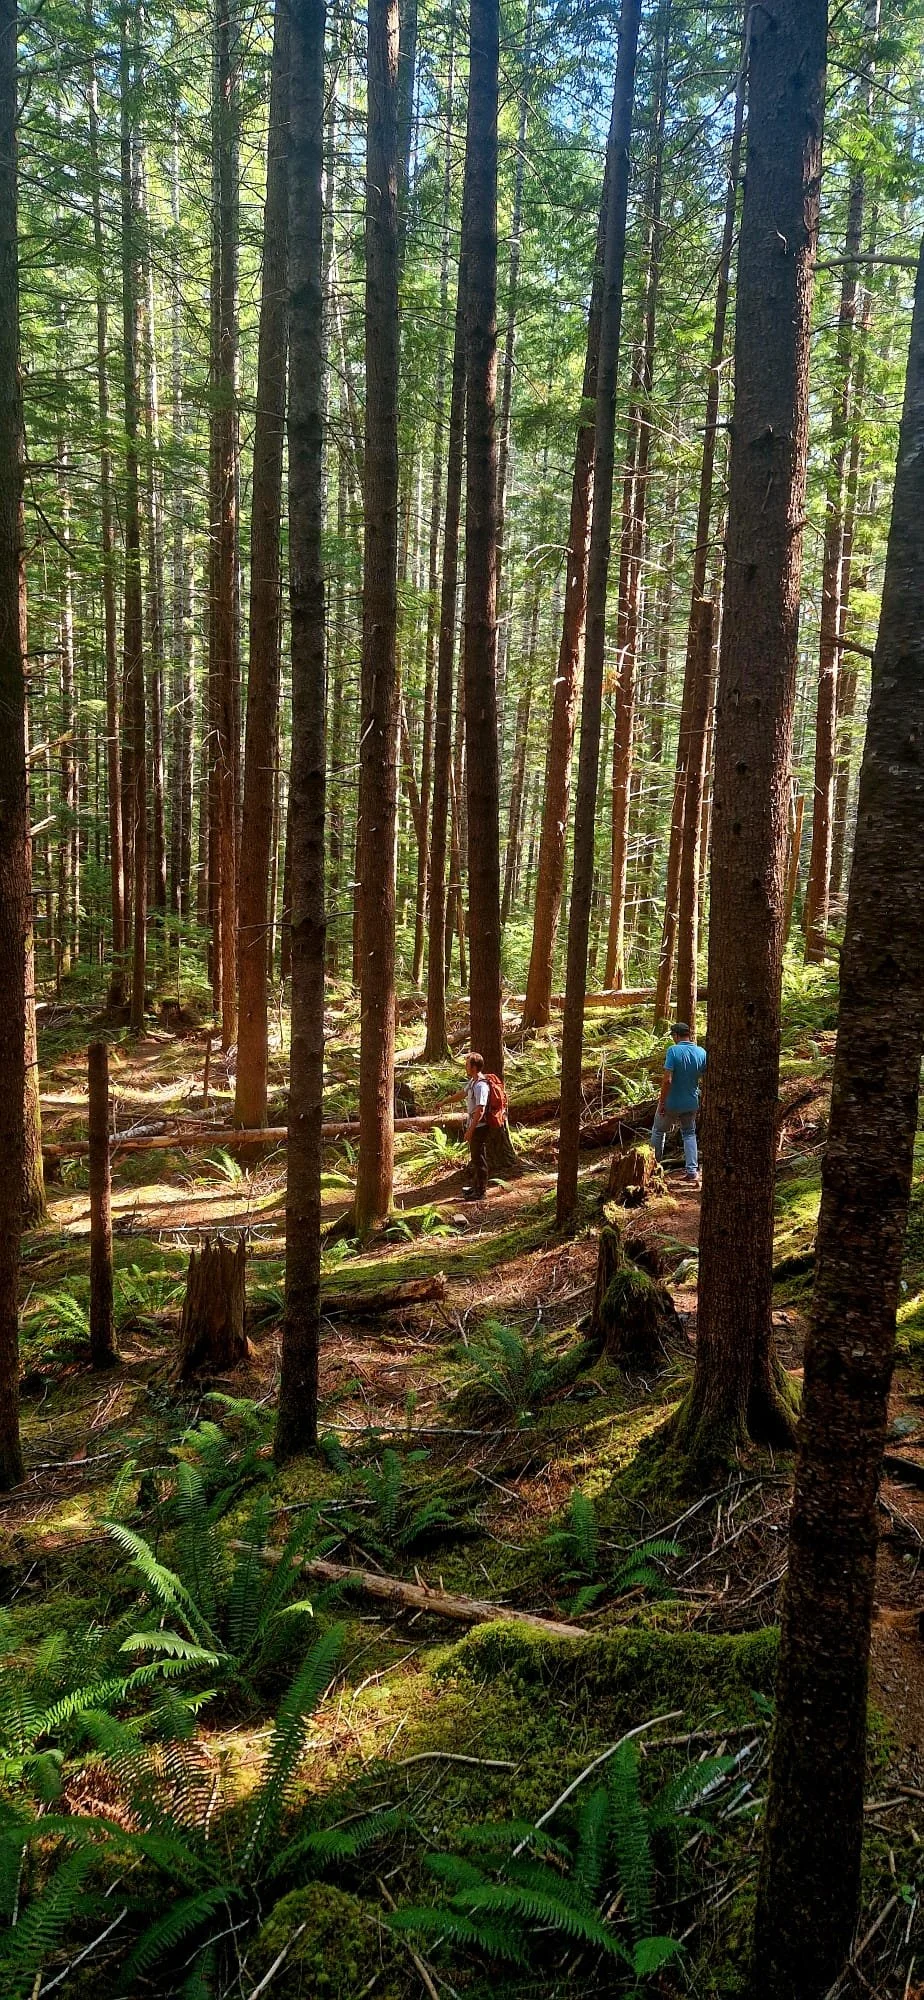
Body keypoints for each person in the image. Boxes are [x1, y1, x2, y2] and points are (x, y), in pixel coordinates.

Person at [651, 1022, 707, 1185]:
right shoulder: (701, 1052)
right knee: (689, 1134)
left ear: (676, 1035)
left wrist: (662, 1102)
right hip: (691, 1101)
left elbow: (667, 1080)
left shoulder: (673, 1051)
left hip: (672, 1102)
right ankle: (692, 1171)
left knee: (658, 1131)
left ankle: (654, 1168)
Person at [462, 1051, 490, 1200]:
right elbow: (462, 1094)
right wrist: (444, 1102)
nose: (465, 1067)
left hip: (480, 1127)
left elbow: (480, 1110)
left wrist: (470, 1131)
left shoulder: (481, 1086)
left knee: (479, 1159)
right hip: (474, 1126)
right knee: (475, 1157)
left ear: (473, 1067)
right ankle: (475, 1187)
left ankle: (481, 1192)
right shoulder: (473, 1082)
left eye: (467, 1064)